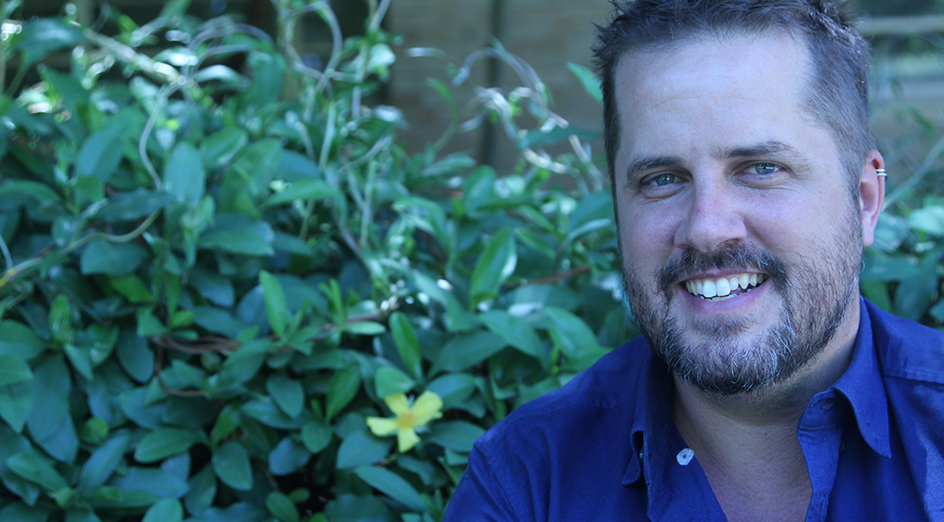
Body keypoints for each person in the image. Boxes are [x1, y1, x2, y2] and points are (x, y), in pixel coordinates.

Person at [443, 1, 944, 520]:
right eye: (661, 180)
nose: (706, 229)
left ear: (864, 199)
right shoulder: (526, 484)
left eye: (761, 168)